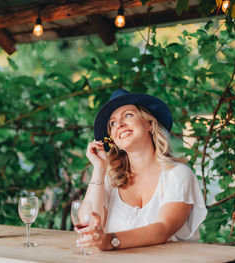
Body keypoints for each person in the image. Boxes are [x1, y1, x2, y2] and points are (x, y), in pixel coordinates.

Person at [77, 89, 207, 250]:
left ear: (150, 124)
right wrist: (99, 168)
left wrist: (111, 241)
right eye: (113, 123)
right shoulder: (110, 179)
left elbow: (163, 229)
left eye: (128, 115)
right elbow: (88, 224)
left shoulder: (178, 175)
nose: (120, 125)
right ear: (113, 139)